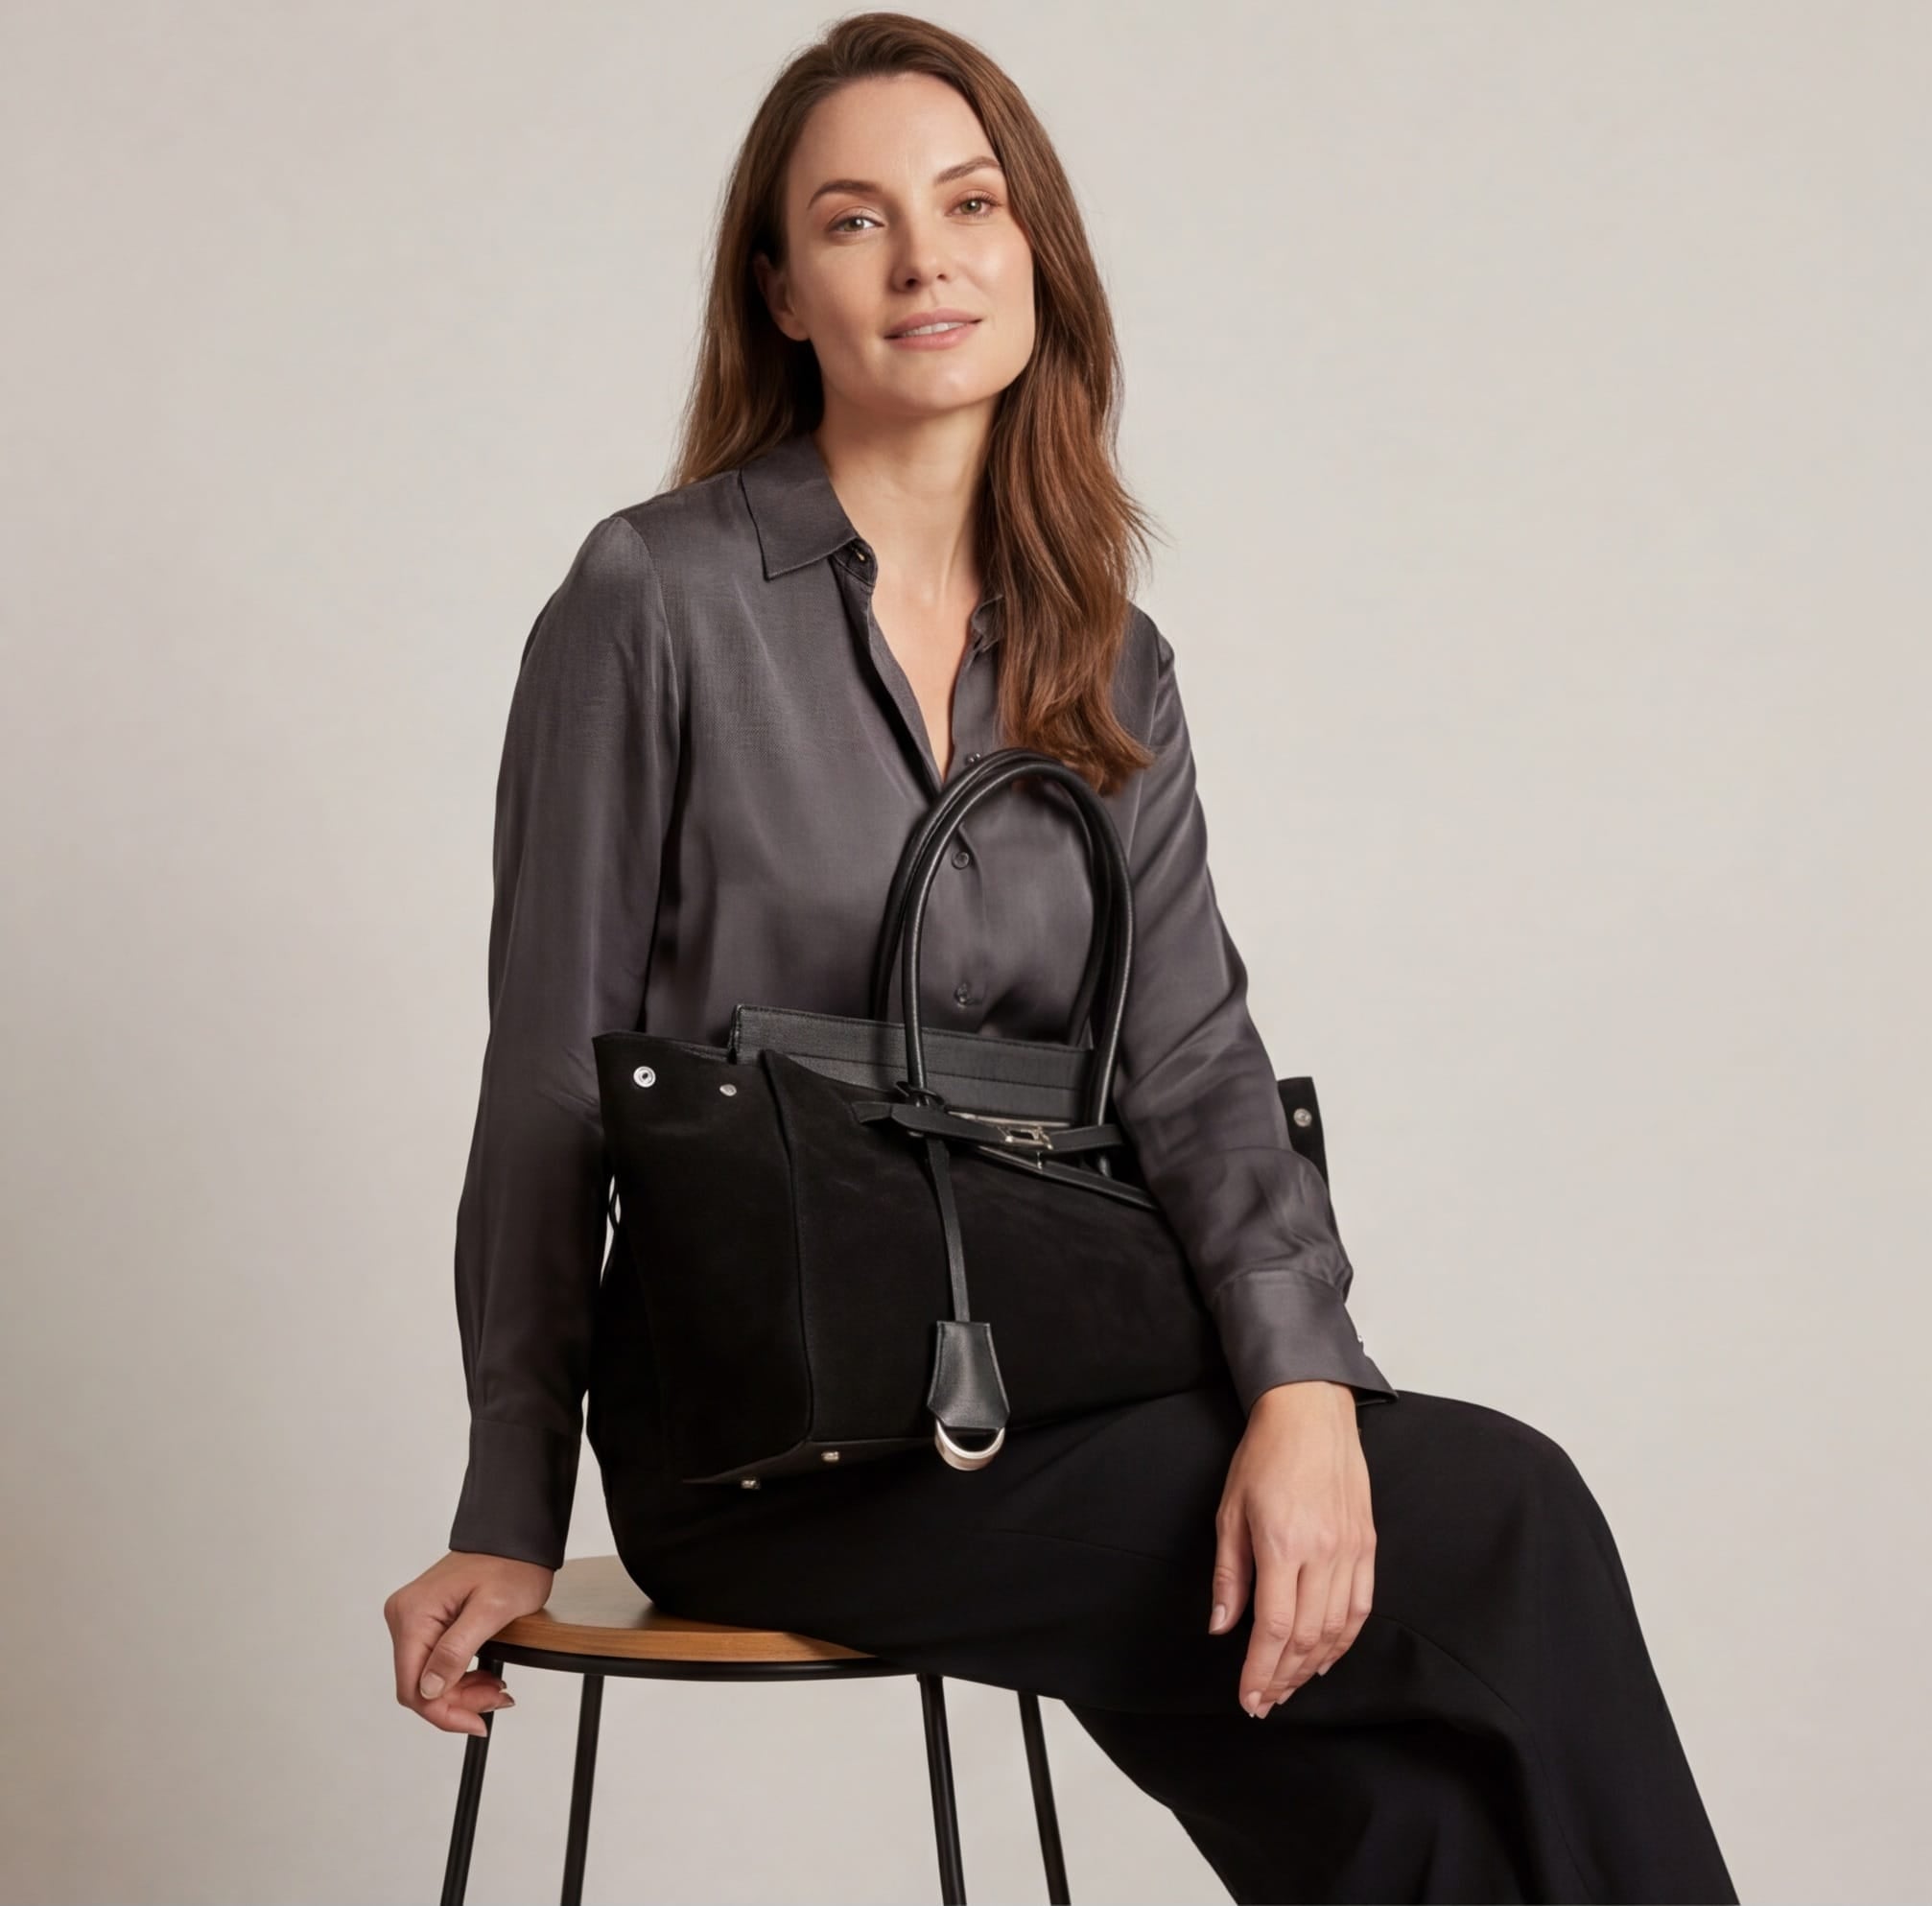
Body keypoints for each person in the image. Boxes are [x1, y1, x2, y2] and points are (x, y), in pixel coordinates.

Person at [384, 15, 1738, 1901]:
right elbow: (544, 1076)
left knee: (1407, 1828)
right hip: (774, 1445)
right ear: (779, 290)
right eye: (853, 222)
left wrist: (1300, 1397)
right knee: (1507, 1512)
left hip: (1047, 1395)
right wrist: (507, 1504)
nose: (925, 259)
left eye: (968, 204)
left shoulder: (1104, 662)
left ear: (1037, 257)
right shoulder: (655, 598)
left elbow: (1186, 1063)